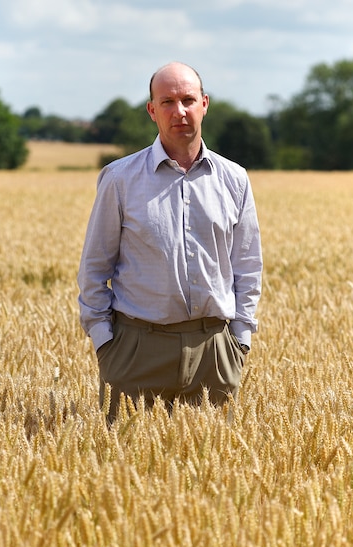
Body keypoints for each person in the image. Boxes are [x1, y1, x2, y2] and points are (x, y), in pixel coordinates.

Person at [77, 62, 262, 423]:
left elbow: (248, 266)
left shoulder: (235, 179)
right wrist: (106, 345)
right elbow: (94, 268)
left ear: (205, 104)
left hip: (215, 352)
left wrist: (239, 341)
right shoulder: (120, 178)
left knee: (214, 470)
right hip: (136, 350)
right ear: (152, 110)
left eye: (188, 100)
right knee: (123, 471)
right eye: (167, 102)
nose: (179, 111)